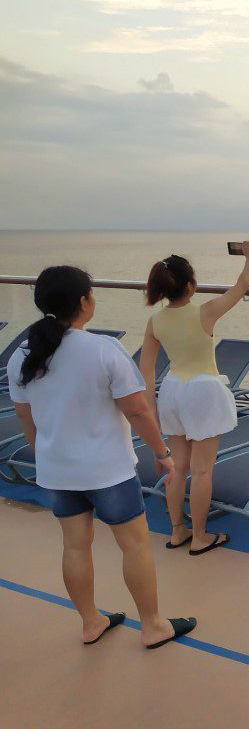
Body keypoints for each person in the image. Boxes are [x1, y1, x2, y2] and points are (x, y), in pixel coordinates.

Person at [8, 266, 196, 648]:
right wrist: (163, 453)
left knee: (75, 546)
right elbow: (138, 410)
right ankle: (153, 626)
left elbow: (27, 420)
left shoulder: (22, 356)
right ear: (83, 302)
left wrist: (47, 454)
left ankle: (91, 622)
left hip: (58, 470)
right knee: (134, 545)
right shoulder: (103, 350)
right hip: (107, 470)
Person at [142, 243, 249, 555]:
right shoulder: (205, 311)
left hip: (173, 390)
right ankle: (201, 536)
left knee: (179, 467)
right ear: (191, 286)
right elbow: (242, 286)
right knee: (202, 470)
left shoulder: (156, 322)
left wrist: (151, 413)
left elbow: (147, 372)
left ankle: (178, 531)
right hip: (203, 391)